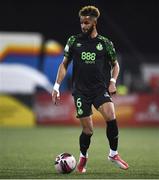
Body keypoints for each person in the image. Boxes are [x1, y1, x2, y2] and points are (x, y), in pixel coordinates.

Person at [52, 5, 129, 173]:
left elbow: (115, 65)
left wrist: (113, 81)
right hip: (80, 91)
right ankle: (83, 156)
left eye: (86, 23)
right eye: (81, 23)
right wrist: (56, 86)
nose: (83, 26)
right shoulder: (74, 41)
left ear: (94, 23)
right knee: (88, 130)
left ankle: (113, 154)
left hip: (99, 89)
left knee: (111, 115)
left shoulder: (105, 43)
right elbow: (64, 65)